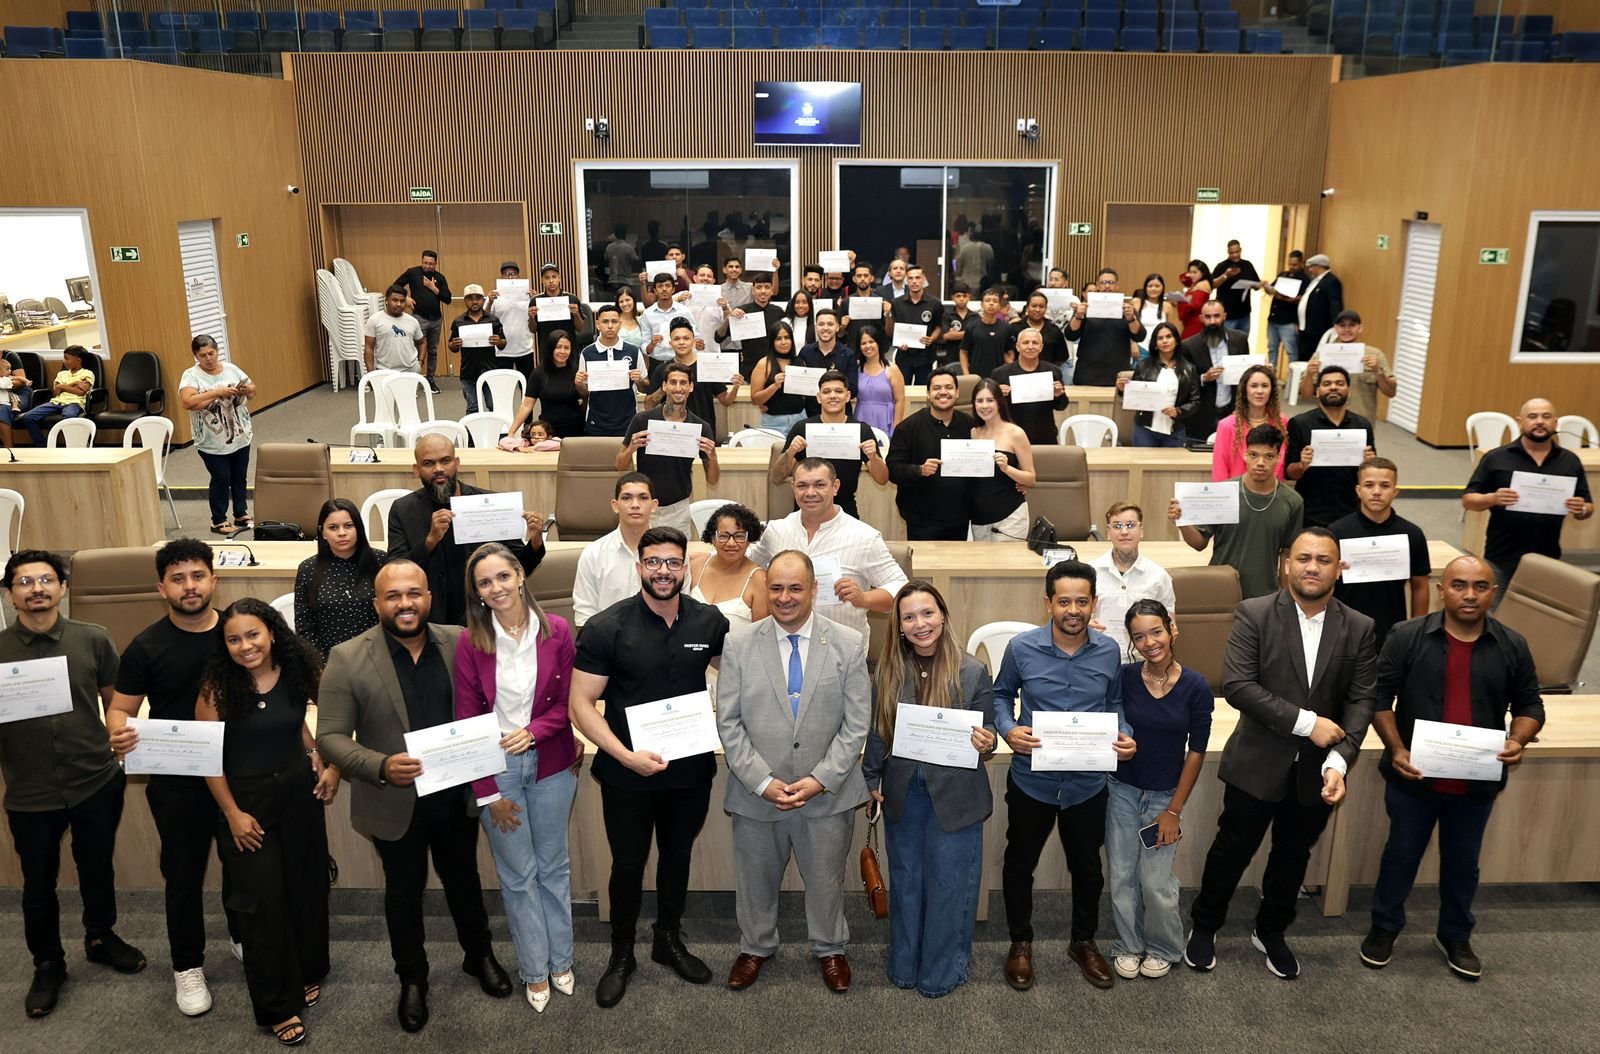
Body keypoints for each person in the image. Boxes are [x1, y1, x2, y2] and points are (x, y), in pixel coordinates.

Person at [315, 561, 512, 1031]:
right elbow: (331, 737)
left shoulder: (462, 640)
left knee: (463, 879)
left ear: (428, 596)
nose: (405, 604)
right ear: (377, 603)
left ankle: (478, 955)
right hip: (392, 799)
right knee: (402, 893)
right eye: (393, 596)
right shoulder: (346, 656)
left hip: (454, 793)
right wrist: (380, 765)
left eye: (414, 594)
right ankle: (412, 979)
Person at [1185, 528, 1376, 980]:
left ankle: (1271, 930)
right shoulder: (1254, 613)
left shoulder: (1360, 626)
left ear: (1339, 568)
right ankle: (1205, 925)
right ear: (1286, 564)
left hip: (1319, 770)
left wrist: (1339, 760)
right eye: (1304, 558)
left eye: (1324, 560)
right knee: (1231, 850)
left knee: (1292, 855)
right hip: (1257, 761)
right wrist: (1309, 725)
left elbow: (1362, 700)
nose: (1313, 567)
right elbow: (1239, 686)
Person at [568, 527, 731, 1008]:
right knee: (628, 864)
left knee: (678, 856)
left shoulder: (709, 622)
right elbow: (580, 704)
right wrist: (625, 757)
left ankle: (667, 939)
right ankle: (622, 955)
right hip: (626, 773)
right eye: (654, 562)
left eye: (673, 562)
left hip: (690, 769)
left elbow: (740, 676)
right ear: (639, 567)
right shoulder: (606, 627)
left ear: (686, 567)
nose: (664, 571)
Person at [1361, 555, 1545, 980]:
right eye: (1459, 585)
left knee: (1464, 862)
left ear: (1492, 593)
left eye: (1480, 587)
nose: (1469, 594)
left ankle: (1455, 934)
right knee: (1400, 857)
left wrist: (1518, 738)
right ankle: (1384, 928)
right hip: (1414, 778)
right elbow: (1378, 696)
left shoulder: (1511, 644)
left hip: (1476, 783)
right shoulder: (1406, 636)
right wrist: (1397, 747)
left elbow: (1530, 703)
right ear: (1442, 590)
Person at [717, 550, 871, 993]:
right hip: (756, 791)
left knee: (825, 880)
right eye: (777, 588)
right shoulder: (740, 642)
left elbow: (856, 723)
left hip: (825, 793)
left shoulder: (846, 642)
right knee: (755, 879)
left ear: (814, 590)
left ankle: (830, 948)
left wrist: (821, 778)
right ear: (766, 591)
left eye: (795, 588)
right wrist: (762, 782)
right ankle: (755, 947)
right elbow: (728, 722)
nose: (785, 597)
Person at [2, 550, 146, 1019]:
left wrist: (120, 733)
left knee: (96, 866)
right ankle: (47, 963)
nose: (37, 589)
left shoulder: (94, 638)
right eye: (25, 582)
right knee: (37, 883)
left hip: (94, 780)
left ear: (63, 589)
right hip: (29, 789)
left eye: (46, 580)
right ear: (10, 594)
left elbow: (115, 705)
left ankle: (101, 936)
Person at [105, 539, 241, 1016]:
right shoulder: (146, 646)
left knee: (241, 864)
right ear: (162, 588)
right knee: (182, 876)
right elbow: (120, 709)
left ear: (213, 579)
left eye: (198, 575)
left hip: (239, 773)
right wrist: (119, 734)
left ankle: (242, 935)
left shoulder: (239, 632)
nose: (190, 586)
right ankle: (187, 966)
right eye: (179, 579)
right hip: (177, 781)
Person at [993, 561, 1137, 992]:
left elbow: (1114, 704)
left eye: (1081, 601)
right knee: (1020, 864)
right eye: (1064, 601)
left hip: (1088, 784)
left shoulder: (1109, 650)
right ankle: (1020, 941)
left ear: (1094, 602)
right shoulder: (1021, 648)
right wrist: (1008, 729)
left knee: (1088, 868)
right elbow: (1001, 695)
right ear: (1048, 603)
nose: (1073, 610)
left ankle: (1083, 941)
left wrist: (1124, 733)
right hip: (1031, 780)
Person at [199, 598, 337, 1046]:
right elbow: (208, 761)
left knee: (306, 886)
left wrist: (315, 753)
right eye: (234, 639)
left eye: (253, 635)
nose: (245, 646)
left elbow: (297, 725)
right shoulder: (216, 689)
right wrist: (232, 814)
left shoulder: (296, 671)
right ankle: (277, 1005)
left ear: (273, 633)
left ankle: (307, 971)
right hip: (246, 803)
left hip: (299, 794)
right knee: (262, 905)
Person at [453, 544, 580, 1013]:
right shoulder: (471, 641)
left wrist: (534, 731)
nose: (496, 588)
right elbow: (467, 718)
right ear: (478, 593)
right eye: (485, 583)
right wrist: (487, 794)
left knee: (554, 867)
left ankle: (561, 959)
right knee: (519, 875)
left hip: (551, 762)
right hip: (497, 769)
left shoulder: (559, 631)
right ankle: (534, 968)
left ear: (520, 575)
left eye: (502, 577)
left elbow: (569, 704)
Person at [862, 581, 996, 997]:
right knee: (907, 884)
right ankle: (904, 967)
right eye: (909, 617)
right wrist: (871, 779)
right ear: (898, 626)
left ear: (943, 616)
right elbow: (878, 731)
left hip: (955, 798)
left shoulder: (972, 670)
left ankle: (942, 972)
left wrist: (986, 741)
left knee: (949, 887)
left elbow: (988, 729)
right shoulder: (887, 670)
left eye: (927, 613)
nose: (920, 624)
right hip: (903, 793)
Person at [1106, 600, 1212, 980]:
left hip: (1165, 796)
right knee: (1120, 876)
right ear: (1131, 641)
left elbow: (1197, 751)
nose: (1150, 642)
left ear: (1172, 629)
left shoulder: (1196, 686)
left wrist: (1174, 811)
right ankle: (1128, 945)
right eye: (1139, 636)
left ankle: (1165, 946)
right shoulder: (1124, 676)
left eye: (1156, 631)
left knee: (1155, 882)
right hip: (1121, 790)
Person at [387, 435, 546, 625]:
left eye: (445, 461)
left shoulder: (488, 503)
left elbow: (520, 567)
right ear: (416, 470)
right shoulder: (403, 510)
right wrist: (429, 541)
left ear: (457, 463)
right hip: (430, 621)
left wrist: (535, 541)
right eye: (429, 463)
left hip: (485, 617)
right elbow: (394, 573)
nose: (439, 469)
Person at [750, 458, 907, 642]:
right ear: (793, 487)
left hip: (841, 655)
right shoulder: (776, 530)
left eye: (819, 485)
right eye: (802, 485)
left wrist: (864, 598)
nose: (810, 493)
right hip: (782, 647)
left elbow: (902, 589)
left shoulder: (864, 537)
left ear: (835, 487)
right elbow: (747, 568)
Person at [1462, 397, 1594, 593]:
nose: (1539, 421)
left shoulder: (1570, 461)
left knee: (1538, 616)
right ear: (1519, 421)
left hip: (1547, 556)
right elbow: (1469, 500)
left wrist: (1581, 508)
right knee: (1495, 615)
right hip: (1501, 554)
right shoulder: (1497, 457)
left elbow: (1588, 506)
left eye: (1546, 416)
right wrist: (1493, 498)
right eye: (1532, 416)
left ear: (1555, 423)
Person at [1170, 423, 1305, 599]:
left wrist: (1287, 597)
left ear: (1279, 458)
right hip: (1219, 588)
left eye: (1269, 456)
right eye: (1254, 455)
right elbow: (1199, 544)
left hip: (1264, 595)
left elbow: (1287, 554)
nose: (1260, 463)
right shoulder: (1223, 492)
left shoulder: (1293, 501)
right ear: (1245, 455)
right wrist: (1182, 522)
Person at [1328, 458, 1431, 647]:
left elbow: (1420, 585)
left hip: (1392, 631)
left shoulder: (1412, 534)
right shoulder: (1337, 532)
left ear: (1395, 492)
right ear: (1358, 490)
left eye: (1385, 485)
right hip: (1343, 630)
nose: (1376, 492)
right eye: (1369, 485)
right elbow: (1325, 582)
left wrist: (1417, 628)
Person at [618, 360, 720, 535]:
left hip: (678, 509)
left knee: (676, 560)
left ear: (691, 387)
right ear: (664, 386)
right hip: (644, 506)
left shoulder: (701, 427)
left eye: (683, 383)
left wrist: (713, 457)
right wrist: (631, 449)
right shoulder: (642, 420)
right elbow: (619, 465)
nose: (678, 388)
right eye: (673, 382)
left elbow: (712, 480)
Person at [773, 372, 887, 520]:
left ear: (847, 396)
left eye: (838, 391)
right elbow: (777, 477)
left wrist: (874, 457)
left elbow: (882, 480)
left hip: (845, 511)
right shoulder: (802, 428)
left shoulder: (861, 430)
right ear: (819, 397)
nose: (833, 396)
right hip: (807, 508)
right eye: (826, 392)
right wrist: (790, 451)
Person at [885, 367, 977, 540]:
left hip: (960, 517)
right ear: (928, 394)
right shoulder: (907, 428)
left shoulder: (971, 426)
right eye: (936, 388)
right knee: (923, 566)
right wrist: (919, 470)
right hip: (922, 519)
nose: (943, 392)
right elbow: (893, 469)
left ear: (957, 393)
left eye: (949, 388)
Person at [180, 335, 255, 536]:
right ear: (196, 356)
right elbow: (187, 402)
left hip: (241, 435)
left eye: (211, 353)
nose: (208, 358)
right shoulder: (191, 375)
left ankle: (241, 513)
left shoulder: (231, 368)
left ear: (217, 351)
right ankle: (219, 520)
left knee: (239, 477)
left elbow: (253, 391)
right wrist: (217, 392)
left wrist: (243, 390)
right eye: (202, 355)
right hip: (210, 441)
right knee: (221, 477)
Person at [1286, 365, 1377, 527]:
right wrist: (1302, 465)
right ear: (1317, 391)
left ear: (1349, 390)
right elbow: (1290, 473)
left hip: (1352, 510)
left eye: (1340, 383)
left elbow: (1371, 473)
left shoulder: (1362, 424)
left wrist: (1370, 462)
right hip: (1311, 511)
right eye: (1327, 384)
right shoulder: (1300, 423)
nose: (1333, 387)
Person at [293, 498, 380, 660]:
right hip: (328, 662)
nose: (341, 533)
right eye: (333, 527)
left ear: (358, 528)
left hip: (377, 657)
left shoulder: (380, 561)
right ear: (322, 532)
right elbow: (304, 628)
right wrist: (324, 664)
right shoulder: (308, 569)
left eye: (348, 526)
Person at [1089, 503, 1177, 657]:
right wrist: (1085, 628)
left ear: (1141, 531)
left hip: (1144, 661)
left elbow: (1169, 625)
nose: (1124, 532)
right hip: (1098, 657)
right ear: (1108, 533)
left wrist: (1170, 632)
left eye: (1130, 525)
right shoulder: (1090, 573)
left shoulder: (1158, 576)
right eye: (1117, 526)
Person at [573, 473, 659, 628]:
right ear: (615, 505)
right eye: (626, 498)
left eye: (643, 498)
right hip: (608, 645)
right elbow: (584, 617)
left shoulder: (672, 553)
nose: (635, 504)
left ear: (654, 505)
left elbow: (682, 609)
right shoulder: (593, 554)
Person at [641, 317, 743, 427]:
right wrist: (666, 388)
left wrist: (736, 387)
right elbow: (648, 405)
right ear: (670, 343)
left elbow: (726, 401)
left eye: (686, 338)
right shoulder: (662, 369)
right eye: (676, 339)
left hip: (703, 432)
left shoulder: (707, 366)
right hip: (671, 431)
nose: (681, 342)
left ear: (694, 341)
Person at [968, 378, 1036, 542]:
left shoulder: (1016, 433)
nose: (985, 406)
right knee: (983, 567)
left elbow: (1031, 478)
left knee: (1008, 565)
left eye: (990, 400)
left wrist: (1007, 469)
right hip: (979, 516)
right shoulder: (973, 433)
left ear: (999, 402)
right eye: (980, 401)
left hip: (1011, 514)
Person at [1179, 300, 1251, 442]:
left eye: (1217, 316)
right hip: (1202, 414)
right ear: (1201, 318)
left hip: (1232, 411)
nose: (1213, 321)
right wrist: (1204, 378)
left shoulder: (1240, 339)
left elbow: (1246, 374)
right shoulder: (1188, 346)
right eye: (1208, 317)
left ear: (1224, 316)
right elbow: (1183, 381)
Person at [688, 504, 769, 628]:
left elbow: (761, 635)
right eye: (723, 536)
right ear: (713, 539)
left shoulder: (760, 581)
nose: (731, 543)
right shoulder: (696, 566)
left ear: (750, 539)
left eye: (739, 536)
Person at [1120, 321, 1199, 448]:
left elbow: (1195, 401)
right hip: (1145, 429)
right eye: (1160, 338)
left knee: (1171, 467)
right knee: (1143, 465)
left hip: (1174, 429)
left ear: (1177, 341)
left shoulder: (1189, 369)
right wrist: (1123, 390)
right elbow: (1132, 397)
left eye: (1169, 336)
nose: (1165, 341)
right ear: (1155, 344)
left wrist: (1178, 411)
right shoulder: (1143, 366)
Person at [576, 304, 648, 438]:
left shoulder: (633, 351)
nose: (610, 326)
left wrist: (639, 380)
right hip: (596, 422)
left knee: (626, 459)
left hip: (627, 421)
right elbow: (584, 392)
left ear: (620, 324)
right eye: (605, 322)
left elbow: (644, 388)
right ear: (598, 324)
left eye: (614, 322)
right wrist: (579, 384)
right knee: (598, 459)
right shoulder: (587, 353)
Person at [1067, 268, 1145, 386]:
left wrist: (1131, 318)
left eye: (1111, 283)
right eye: (1103, 283)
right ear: (1098, 285)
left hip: (1118, 373)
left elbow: (1139, 336)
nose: (1107, 286)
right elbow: (1070, 335)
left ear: (1117, 285)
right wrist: (1078, 315)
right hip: (1087, 372)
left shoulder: (1127, 308)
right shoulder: (1086, 307)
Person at [992, 327, 1067, 446]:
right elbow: (992, 408)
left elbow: (1061, 406)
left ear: (1041, 347)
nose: (1030, 346)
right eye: (1026, 342)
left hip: (1045, 436)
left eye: (1035, 343)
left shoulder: (1053, 371)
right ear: (1017, 346)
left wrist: (1058, 396)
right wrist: (997, 396)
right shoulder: (1000, 373)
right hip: (1010, 435)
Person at [1212, 364, 1287, 481]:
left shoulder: (1282, 422)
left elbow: (1281, 462)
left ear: (1271, 390)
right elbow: (1219, 470)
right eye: (1254, 386)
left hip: (1272, 491)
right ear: (1245, 390)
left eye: (1265, 386)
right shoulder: (1226, 425)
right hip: (1237, 492)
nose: (1260, 391)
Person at [505, 331, 584, 440]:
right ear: (550, 348)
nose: (562, 351)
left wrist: (580, 385)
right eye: (558, 347)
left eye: (566, 348)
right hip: (549, 430)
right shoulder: (539, 373)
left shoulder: (577, 370)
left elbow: (586, 396)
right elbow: (527, 405)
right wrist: (511, 433)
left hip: (576, 428)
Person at [393, 250, 453, 392]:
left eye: (430, 264)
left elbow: (448, 299)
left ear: (435, 264)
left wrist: (434, 288)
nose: (427, 266)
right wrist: (405, 298)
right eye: (425, 263)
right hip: (419, 318)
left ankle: (430, 378)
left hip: (436, 319)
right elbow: (395, 286)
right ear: (421, 261)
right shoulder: (413, 273)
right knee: (416, 350)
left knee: (432, 350)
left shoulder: (440, 277)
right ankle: (413, 379)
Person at [20, 343, 93, 446]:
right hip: (56, 402)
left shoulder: (87, 373)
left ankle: (76, 444)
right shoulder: (62, 374)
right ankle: (42, 444)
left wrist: (62, 386)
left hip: (74, 402)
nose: (64, 361)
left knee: (70, 416)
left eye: (67, 359)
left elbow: (81, 391)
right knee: (28, 417)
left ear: (78, 360)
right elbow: (55, 392)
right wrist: (74, 384)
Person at [448, 284, 507, 412]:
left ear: (483, 300)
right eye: (470, 298)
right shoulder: (458, 322)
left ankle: (497, 432)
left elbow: (503, 343)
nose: (474, 302)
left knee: (493, 406)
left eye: (478, 298)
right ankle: (471, 433)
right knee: (473, 407)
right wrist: (454, 344)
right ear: (465, 300)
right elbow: (451, 346)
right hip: (468, 372)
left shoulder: (493, 320)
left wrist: (498, 341)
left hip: (490, 370)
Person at [717, 272, 785, 379]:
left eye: (767, 287)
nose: (763, 291)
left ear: (772, 290)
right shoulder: (742, 311)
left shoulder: (779, 312)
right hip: (749, 369)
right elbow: (718, 337)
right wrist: (729, 318)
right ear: (753, 290)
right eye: (758, 287)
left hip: (774, 368)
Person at [748, 321, 808, 435]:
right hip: (773, 422)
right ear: (772, 342)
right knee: (775, 452)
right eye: (778, 339)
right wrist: (774, 386)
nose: (783, 342)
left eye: (787, 338)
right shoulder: (764, 363)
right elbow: (755, 400)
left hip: (800, 418)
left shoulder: (800, 362)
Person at [797, 309, 860, 413]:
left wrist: (836, 382)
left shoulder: (849, 355)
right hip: (811, 415)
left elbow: (853, 391)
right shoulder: (805, 352)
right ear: (815, 327)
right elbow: (797, 386)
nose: (825, 328)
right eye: (821, 324)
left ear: (837, 327)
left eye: (830, 324)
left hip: (840, 415)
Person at [888, 266, 943, 385]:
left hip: (925, 357)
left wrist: (932, 338)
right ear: (906, 281)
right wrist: (898, 342)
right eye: (910, 278)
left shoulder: (935, 303)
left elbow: (939, 327)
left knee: (923, 392)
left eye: (917, 278)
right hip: (904, 355)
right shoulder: (897, 303)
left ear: (923, 279)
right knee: (902, 390)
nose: (914, 281)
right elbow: (893, 330)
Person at [852, 326, 905, 438]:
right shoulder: (855, 368)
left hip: (885, 419)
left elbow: (900, 400)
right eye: (863, 343)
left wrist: (896, 427)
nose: (868, 346)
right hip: (861, 416)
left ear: (878, 343)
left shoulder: (892, 369)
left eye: (871, 342)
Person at [533, 263, 593, 356]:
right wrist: (531, 317)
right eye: (547, 278)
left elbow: (580, 328)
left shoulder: (572, 299)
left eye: (554, 277)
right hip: (546, 350)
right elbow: (532, 330)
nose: (551, 281)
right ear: (542, 280)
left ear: (559, 278)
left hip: (569, 350)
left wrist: (576, 314)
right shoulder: (535, 301)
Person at [365, 284, 426, 374]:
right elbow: (369, 348)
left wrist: (420, 362)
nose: (399, 304)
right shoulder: (374, 320)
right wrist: (371, 374)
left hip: (411, 371)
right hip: (385, 372)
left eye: (402, 301)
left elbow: (422, 342)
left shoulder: (413, 321)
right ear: (386, 301)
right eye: (394, 300)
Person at [486, 261, 536, 368]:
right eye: (506, 274)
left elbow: (536, 321)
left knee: (527, 384)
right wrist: (490, 301)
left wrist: (535, 300)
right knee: (503, 384)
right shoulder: (495, 295)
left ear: (518, 276)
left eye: (513, 274)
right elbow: (484, 318)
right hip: (502, 349)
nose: (510, 277)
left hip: (524, 348)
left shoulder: (528, 294)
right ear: (501, 276)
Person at [1262, 250, 1307, 366]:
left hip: (1289, 321)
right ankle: (1272, 377)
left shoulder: (1304, 279)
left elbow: (1299, 299)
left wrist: (1280, 296)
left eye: (1295, 265)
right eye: (1290, 264)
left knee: (1291, 351)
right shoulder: (1283, 275)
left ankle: (1294, 380)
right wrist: (1266, 287)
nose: (1291, 267)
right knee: (1272, 349)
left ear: (1302, 263)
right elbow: (1272, 289)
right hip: (1274, 319)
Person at [638, 271, 694, 363]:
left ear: (673, 289)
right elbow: (644, 345)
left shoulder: (684, 311)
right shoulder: (648, 314)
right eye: (660, 286)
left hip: (681, 361)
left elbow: (695, 335)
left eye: (667, 286)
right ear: (655, 291)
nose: (664, 289)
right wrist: (652, 344)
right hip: (656, 362)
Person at [1007, 291, 1070, 371]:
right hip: (1018, 375)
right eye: (1034, 306)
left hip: (1047, 375)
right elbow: (1007, 353)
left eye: (1041, 306)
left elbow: (1061, 358)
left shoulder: (1054, 331)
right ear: (1027, 307)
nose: (1037, 309)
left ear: (1046, 308)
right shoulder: (1014, 328)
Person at [960, 286, 1013, 378]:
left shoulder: (1006, 328)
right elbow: (963, 352)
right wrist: (966, 375)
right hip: (975, 375)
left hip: (998, 377)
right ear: (982, 304)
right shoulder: (971, 327)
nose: (991, 304)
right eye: (987, 300)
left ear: (1000, 305)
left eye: (995, 301)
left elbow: (1010, 353)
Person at [1297, 253, 1344, 356]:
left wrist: (1337, 324)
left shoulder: (1331, 281)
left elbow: (1335, 305)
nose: (1310, 270)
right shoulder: (1316, 281)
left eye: (1311, 267)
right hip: (1306, 329)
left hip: (1317, 330)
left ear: (1319, 266)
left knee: (1312, 357)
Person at [1211, 240, 1260, 337]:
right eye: (1231, 253)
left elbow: (1256, 284)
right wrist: (1226, 275)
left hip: (1244, 314)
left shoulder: (1247, 265)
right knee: (1227, 344)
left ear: (1241, 250)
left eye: (1237, 252)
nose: (1234, 255)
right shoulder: (1222, 266)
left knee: (1242, 343)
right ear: (1228, 252)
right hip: (1227, 315)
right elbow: (1212, 285)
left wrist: (1257, 285)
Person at [1130, 274, 1181, 354]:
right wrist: (1132, 344)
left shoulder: (1167, 306)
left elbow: (1173, 330)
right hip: (1139, 348)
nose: (1153, 289)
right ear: (1145, 287)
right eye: (1150, 286)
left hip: (1160, 349)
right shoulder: (1136, 303)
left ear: (1162, 288)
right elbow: (1128, 326)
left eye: (1157, 286)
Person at [936, 281, 975, 371]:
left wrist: (956, 334)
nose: (961, 299)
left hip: (970, 358)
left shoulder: (975, 317)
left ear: (969, 297)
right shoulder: (947, 315)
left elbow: (976, 335)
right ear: (953, 298)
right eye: (958, 296)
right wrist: (969, 333)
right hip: (950, 357)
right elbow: (946, 336)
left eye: (964, 296)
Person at [0, 348, 33, 449]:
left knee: (2, 409)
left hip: (19, 392)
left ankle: (9, 449)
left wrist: (5, 384)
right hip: (2, 392)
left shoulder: (9, 356)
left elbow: (21, 381)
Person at [1176, 260, 1214, 340]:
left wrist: (1184, 302)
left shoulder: (1201, 286)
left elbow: (1195, 305)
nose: (1191, 275)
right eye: (1190, 272)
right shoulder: (1196, 284)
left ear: (1202, 273)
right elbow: (1182, 278)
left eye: (1195, 272)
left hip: (1195, 324)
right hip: (1191, 322)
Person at [604, 225, 640, 290]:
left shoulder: (609, 247)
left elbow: (606, 259)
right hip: (626, 281)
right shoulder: (628, 247)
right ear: (625, 234)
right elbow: (636, 261)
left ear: (615, 234)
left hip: (612, 281)